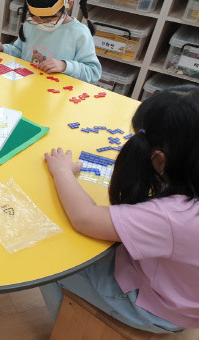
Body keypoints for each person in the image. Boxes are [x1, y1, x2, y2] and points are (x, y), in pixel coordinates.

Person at [41, 85, 199, 333]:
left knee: (50, 265)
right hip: (186, 296)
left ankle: (67, 331)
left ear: (160, 160)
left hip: (157, 308)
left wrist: (62, 171)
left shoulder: (173, 216)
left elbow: (85, 218)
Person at [0, 0, 101, 83]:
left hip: (56, 96)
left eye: (49, 19)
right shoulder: (31, 24)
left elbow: (93, 72)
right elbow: (19, 52)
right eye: (35, 17)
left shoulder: (79, 33)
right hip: (27, 89)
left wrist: (65, 66)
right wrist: (2, 48)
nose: (41, 23)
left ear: (68, 5)